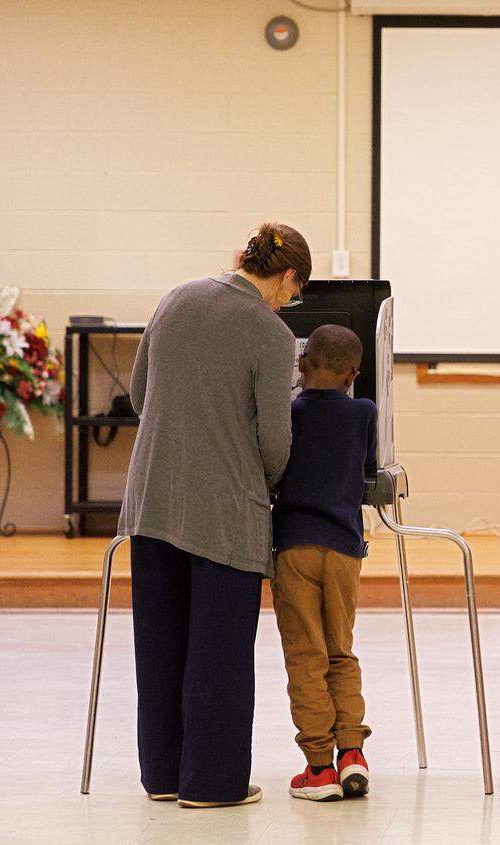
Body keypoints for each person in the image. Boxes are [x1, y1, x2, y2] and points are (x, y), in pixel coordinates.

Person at [118, 222, 308, 808]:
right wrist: (266, 481)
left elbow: (138, 391)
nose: (288, 302)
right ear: (286, 277)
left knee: (160, 644)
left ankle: (164, 777)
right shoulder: (271, 334)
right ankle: (213, 784)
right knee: (219, 652)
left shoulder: (176, 298)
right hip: (225, 511)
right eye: (292, 293)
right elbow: (275, 439)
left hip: (151, 500)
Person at [271, 324, 378, 802]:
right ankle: (353, 754)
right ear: (353, 374)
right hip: (344, 549)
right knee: (340, 651)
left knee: (305, 657)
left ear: (301, 364)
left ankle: (318, 768)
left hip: (294, 547)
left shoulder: (288, 413)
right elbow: (370, 467)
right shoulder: (364, 413)